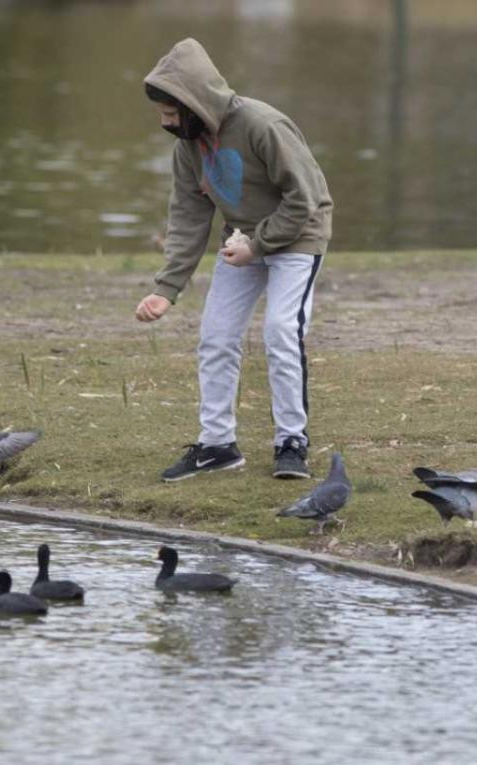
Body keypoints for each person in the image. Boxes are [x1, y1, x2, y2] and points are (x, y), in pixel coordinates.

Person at [134, 38, 333, 482]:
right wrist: (166, 289)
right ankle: (217, 445)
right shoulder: (188, 146)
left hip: (298, 237)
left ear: (192, 102)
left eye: (170, 113)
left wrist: (258, 246)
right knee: (216, 337)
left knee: (281, 332)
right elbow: (187, 216)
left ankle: (291, 442)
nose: (166, 123)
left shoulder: (263, 126)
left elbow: (307, 199)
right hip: (242, 242)